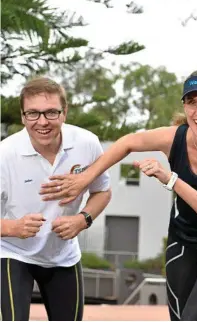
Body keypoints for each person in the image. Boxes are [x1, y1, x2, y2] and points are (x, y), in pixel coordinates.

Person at [39, 68, 197, 321]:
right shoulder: (175, 138)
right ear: (184, 105)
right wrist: (85, 178)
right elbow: (127, 142)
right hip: (183, 241)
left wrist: (171, 179)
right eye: (191, 103)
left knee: (193, 318)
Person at [0, 77, 112, 321]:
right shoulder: (5, 155)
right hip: (13, 252)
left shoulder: (87, 143)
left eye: (51, 112)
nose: (42, 122)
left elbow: (102, 191)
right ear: (22, 116)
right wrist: (14, 227)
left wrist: (83, 219)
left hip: (63, 255)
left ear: (64, 113)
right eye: (33, 113)